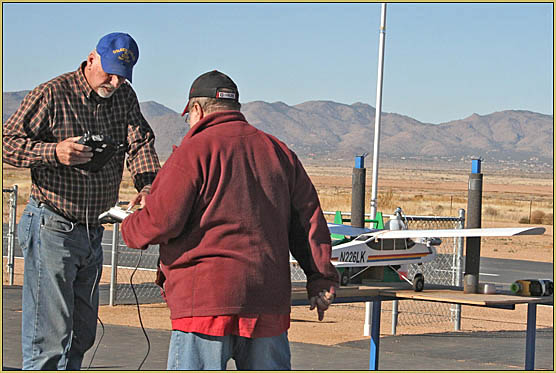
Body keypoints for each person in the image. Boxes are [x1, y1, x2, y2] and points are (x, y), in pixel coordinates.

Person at [120, 70, 339, 370]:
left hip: (204, 304)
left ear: (196, 110)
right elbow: (308, 221)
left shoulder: (192, 151)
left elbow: (162, 220)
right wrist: (320, 278)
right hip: (266, 303)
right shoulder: (279, 152)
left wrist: (130, 225)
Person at [2, 32, 161, 370]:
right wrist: (54, 152)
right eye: (110, 72)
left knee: (81, 334)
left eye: (123, 75)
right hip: (52, 225)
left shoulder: (124, 98)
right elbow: (7, 143)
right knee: (48, 338)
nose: (115, 81)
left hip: (92, 230)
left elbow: (141, 143)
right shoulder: (52, 94)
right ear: (92, 59)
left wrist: (148, 186)